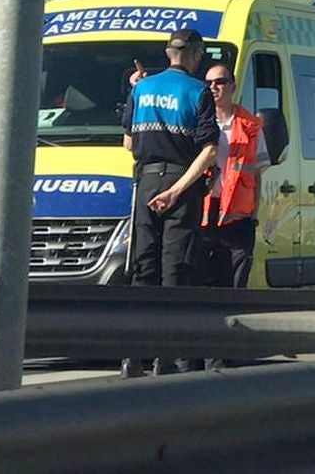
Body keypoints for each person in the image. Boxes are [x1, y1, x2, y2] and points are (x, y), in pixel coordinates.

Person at [120, 29, 218, 377]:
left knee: (143, 269)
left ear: (167, 53)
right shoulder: (198, 92)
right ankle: (172, 358)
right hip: (181, 182)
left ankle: (134, 355)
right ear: (194, 55)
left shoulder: (141, 89)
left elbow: (129, 144)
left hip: (146, 182)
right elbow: (208, 150)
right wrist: (177, 190)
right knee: (175, 269)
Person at [199, 62, 270, 292]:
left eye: (220, 82)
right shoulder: (198, 123)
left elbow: (257, 174)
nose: (213, 87)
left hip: (238, 216)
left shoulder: (250, 126)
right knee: (202, 281)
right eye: (208, 82)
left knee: (234, 285)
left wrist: (254, 215)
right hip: (203, 210)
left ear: (232, 86)